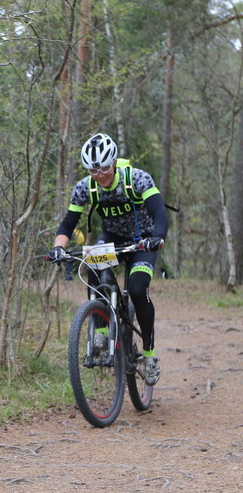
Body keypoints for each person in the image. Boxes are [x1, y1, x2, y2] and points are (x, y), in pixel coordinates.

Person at [48, 133, 168, 385]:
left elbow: (159, 212)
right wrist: (58, 248)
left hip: (142, 240)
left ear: (113, 162)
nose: (100, 174)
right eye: (93, 169)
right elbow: (68, 225)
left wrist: (156, 237)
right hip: (111, 239)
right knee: (91, 262)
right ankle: (101, 333)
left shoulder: (136, 178)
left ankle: (149, 355)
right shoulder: (85, 187)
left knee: (137, 289)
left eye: (104, 167)